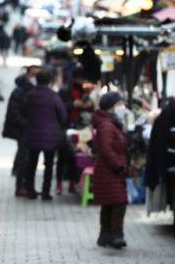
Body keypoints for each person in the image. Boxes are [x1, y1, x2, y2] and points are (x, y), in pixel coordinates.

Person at [91, 92, 129, 249]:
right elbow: (106, 149)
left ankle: (105, 234)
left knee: (109, 203)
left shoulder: (111, 122)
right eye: (120, 103)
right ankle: (116, 235)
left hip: (109, 171)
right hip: (111, 171)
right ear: (111, 106)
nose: (123, 106)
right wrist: (118, 166)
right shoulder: (107, 125)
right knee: (119, 202)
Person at [24, 70, 67, 200]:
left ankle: (30, 191)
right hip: (50, 136)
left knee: (32, 163)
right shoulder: (53, 96)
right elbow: (63, 114)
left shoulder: (30, 95)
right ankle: (45, 192)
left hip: (32, 134)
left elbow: (24, 110)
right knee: (48, 165)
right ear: (49, 81)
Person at [2, 65, 42, 196]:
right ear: (27, 75)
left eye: (38, 75)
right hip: (23, 130)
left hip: (33, 130)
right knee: (24, 158)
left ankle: (29, 186)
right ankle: (20, 186)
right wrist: (27, 124)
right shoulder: (19, 91)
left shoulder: (38, 90)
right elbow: (13, 113)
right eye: (33, 74)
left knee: (31, 159)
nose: (35, 77)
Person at [57, 67, 94, 194]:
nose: (80, 82)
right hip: (64, 127)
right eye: (79, 79)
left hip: (78, 128)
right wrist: (73, 104)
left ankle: (72, 183)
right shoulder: (63, 91)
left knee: (74, 157)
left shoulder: (84, 92)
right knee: (62, 156)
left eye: (82, 80)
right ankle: (59, 183)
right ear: (73, 78)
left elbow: (90, 108)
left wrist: (89, 105)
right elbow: (59, 108)